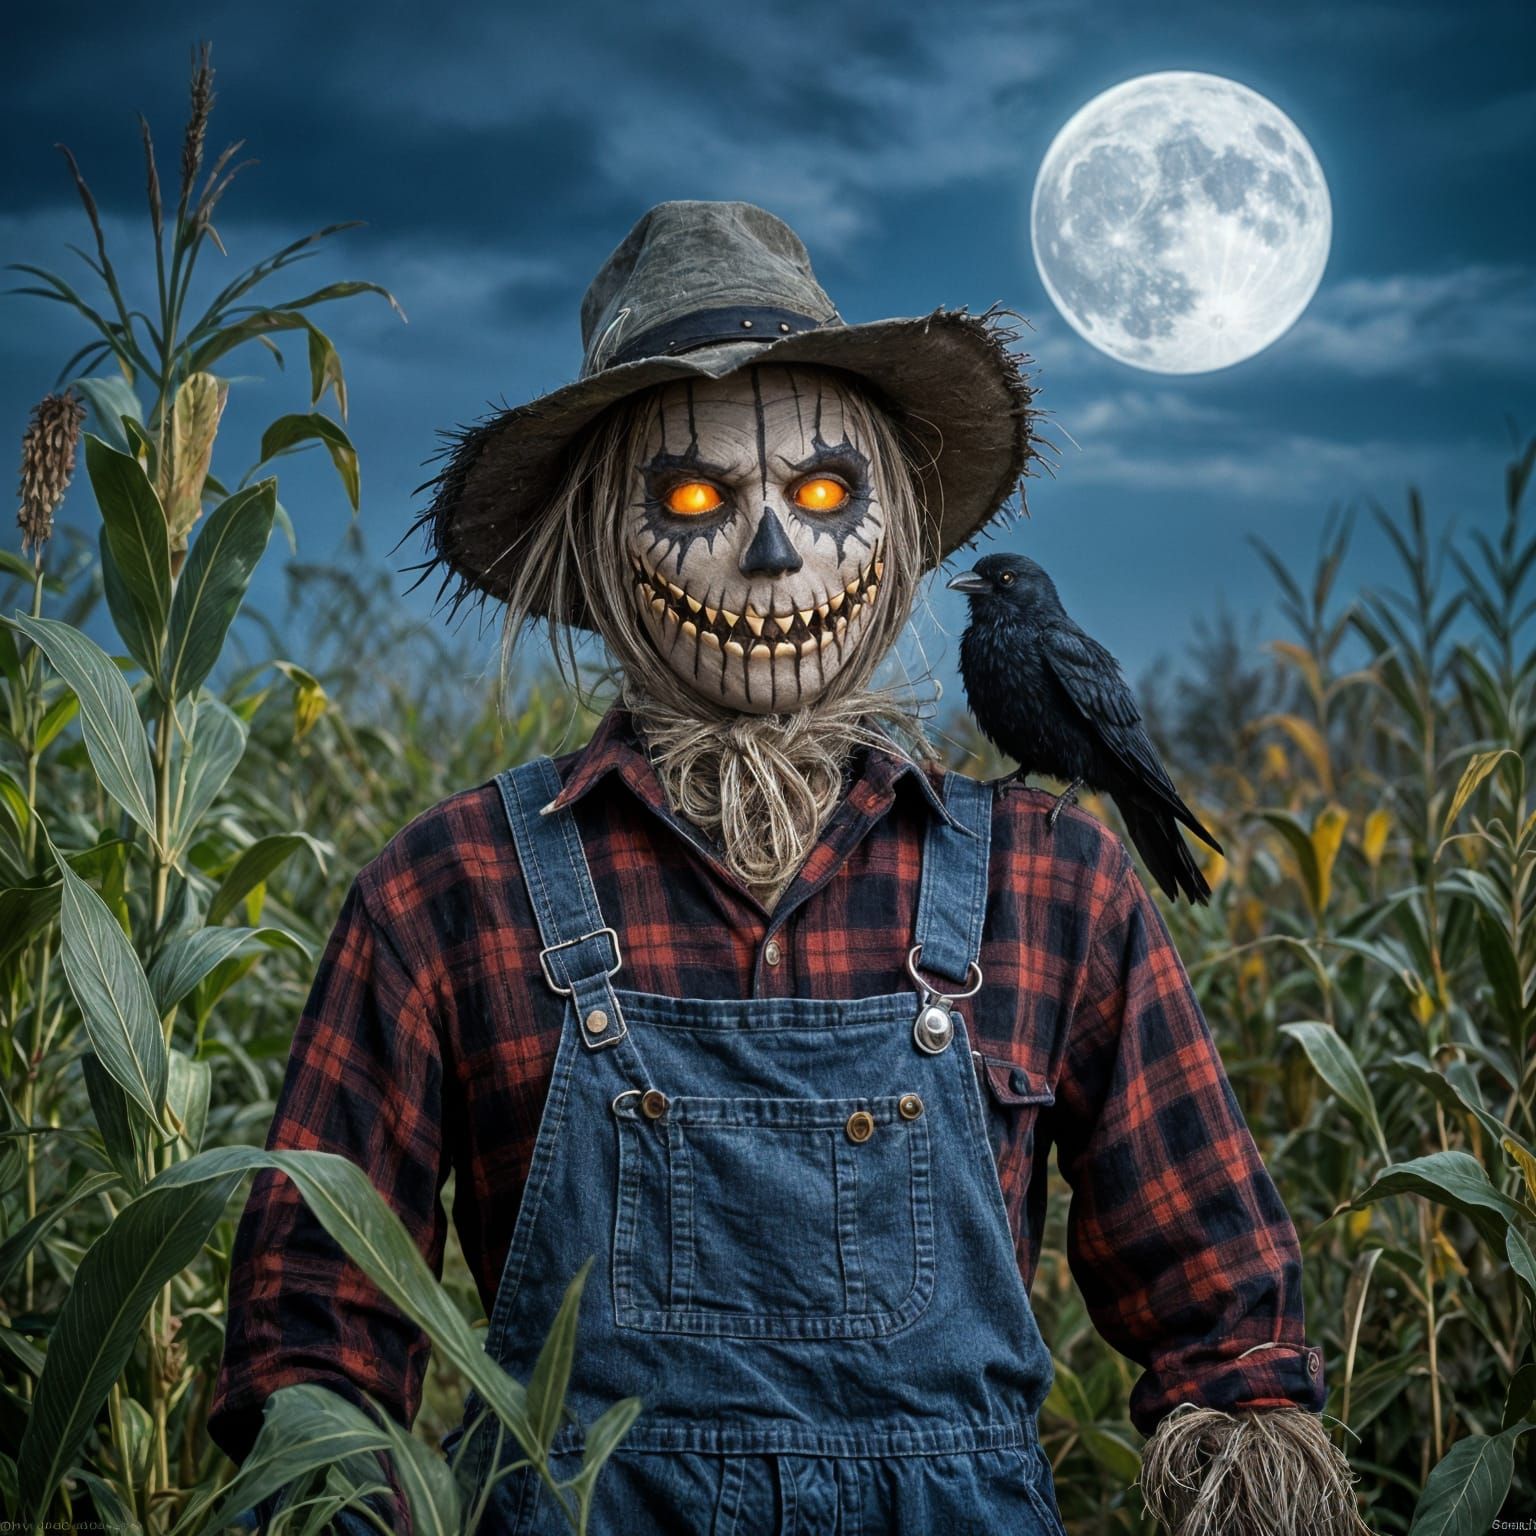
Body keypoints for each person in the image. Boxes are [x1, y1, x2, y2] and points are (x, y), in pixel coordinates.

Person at [209, 200, 1365, 1534]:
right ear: (598, 541)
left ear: (896, 532)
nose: (773, 552)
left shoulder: (1058, 888)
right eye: (695, 497)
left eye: (822, 494)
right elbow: (313, 1350)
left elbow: (1228, 1335)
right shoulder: (448, 892)